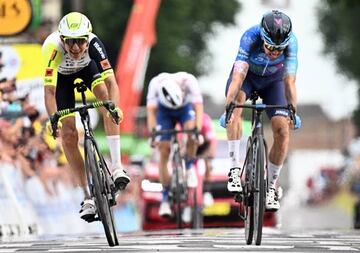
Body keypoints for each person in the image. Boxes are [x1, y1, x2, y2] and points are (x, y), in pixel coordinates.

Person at [42, 12, 130, 221]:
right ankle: (87, 197)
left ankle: (117, 167)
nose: (75, 48)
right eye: (70, 42)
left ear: (87, 39)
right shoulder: (52, 48)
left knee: (106, 100)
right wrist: (53, 118)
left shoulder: (94, 44)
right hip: (62, 79)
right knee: (69, 134)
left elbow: (112, 83)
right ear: (62, 39)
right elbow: (49, 92)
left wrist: (114, 108)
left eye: (80, 42)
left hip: (87, 70)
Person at [223, 10, 301, 211]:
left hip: (274, 83)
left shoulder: (292, 43)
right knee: (236, 106)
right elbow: (238, 76)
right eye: (270, 47)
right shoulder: (250, 37)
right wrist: (229, 105)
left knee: (282, 130)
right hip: (248, 78)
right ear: (262, 37)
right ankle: (234, 169)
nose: (274, 53)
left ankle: (271, 187)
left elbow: (289, 81)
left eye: (279, 50)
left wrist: (293, 110)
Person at [146, 71, 203, 217]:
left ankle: (189, 167)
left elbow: (198, 109)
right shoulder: (155, 83)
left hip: (185, 109)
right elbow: (151, 113)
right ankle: (165, 198)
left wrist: (197, 131)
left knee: (192, 132)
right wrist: (154, 135)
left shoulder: (189, 80)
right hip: (164, 112)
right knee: (163, 150)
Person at [196, 112, 217, 207]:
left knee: (208, 163)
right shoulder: (184, 118)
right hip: (189, 144)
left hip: (204, 145)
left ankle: (207, 192)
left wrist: (208, 157)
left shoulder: (204, 119)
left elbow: (211, 143)